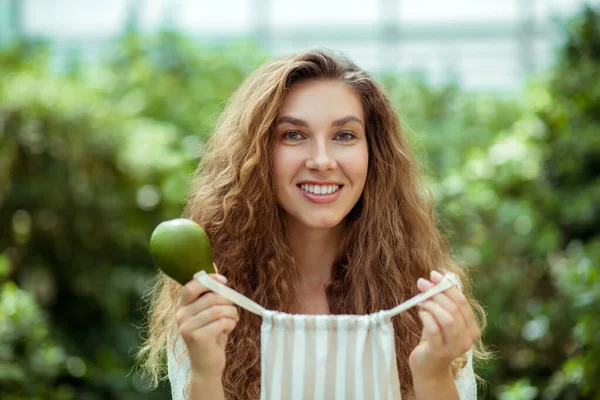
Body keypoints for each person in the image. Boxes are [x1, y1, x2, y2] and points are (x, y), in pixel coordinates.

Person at [138, 49, 487, 400]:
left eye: (345, 135)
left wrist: (432, 372)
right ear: (257, 154)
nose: (322, 160)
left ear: (374, 153)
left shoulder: (427, 300)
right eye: (293, 135)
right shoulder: (209, 298)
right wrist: (205, 372)